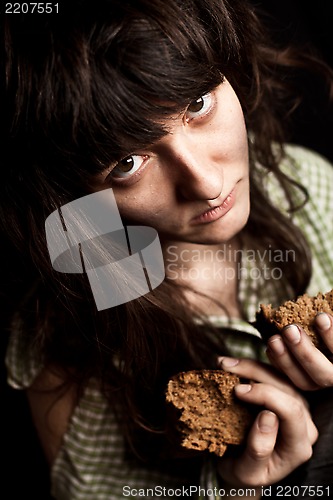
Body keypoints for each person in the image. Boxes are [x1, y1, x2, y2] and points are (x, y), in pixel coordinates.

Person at [1, 0, 333, 498]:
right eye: (128, 163)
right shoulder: (66, 341)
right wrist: (236, 488)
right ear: (73, 196)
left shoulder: (309, 185)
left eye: (197, 104)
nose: (206, 181)